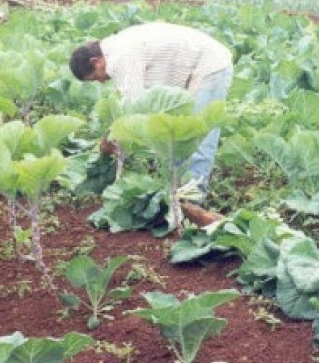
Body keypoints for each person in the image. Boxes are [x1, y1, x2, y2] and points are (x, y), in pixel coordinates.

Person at [69, 21, 234, 226]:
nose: (101, 81)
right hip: (194, 68)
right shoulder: (119, 47)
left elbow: (133, 106)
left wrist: (108, 138)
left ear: (97, 60)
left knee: (199, 132)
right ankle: (178, 195)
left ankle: (192, 201)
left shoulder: (120, 56)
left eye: (96, 76)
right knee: (179, 133)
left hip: (210, 66)